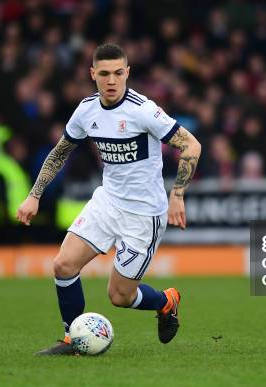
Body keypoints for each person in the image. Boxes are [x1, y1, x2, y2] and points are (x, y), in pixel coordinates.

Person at [16, 43, 201, 355]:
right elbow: (60, 153)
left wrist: (177, 194)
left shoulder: (143, 110)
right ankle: (71, 340)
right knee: (63, 265)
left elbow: (191, 146)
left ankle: (166, 301)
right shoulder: (87, 110)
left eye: (118, 73)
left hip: (144, 215)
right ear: (93, 74)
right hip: (108, 202)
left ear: (127, 73)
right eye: (104, 74)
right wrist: (34, 195)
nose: (112, 80)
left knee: (120, 296)